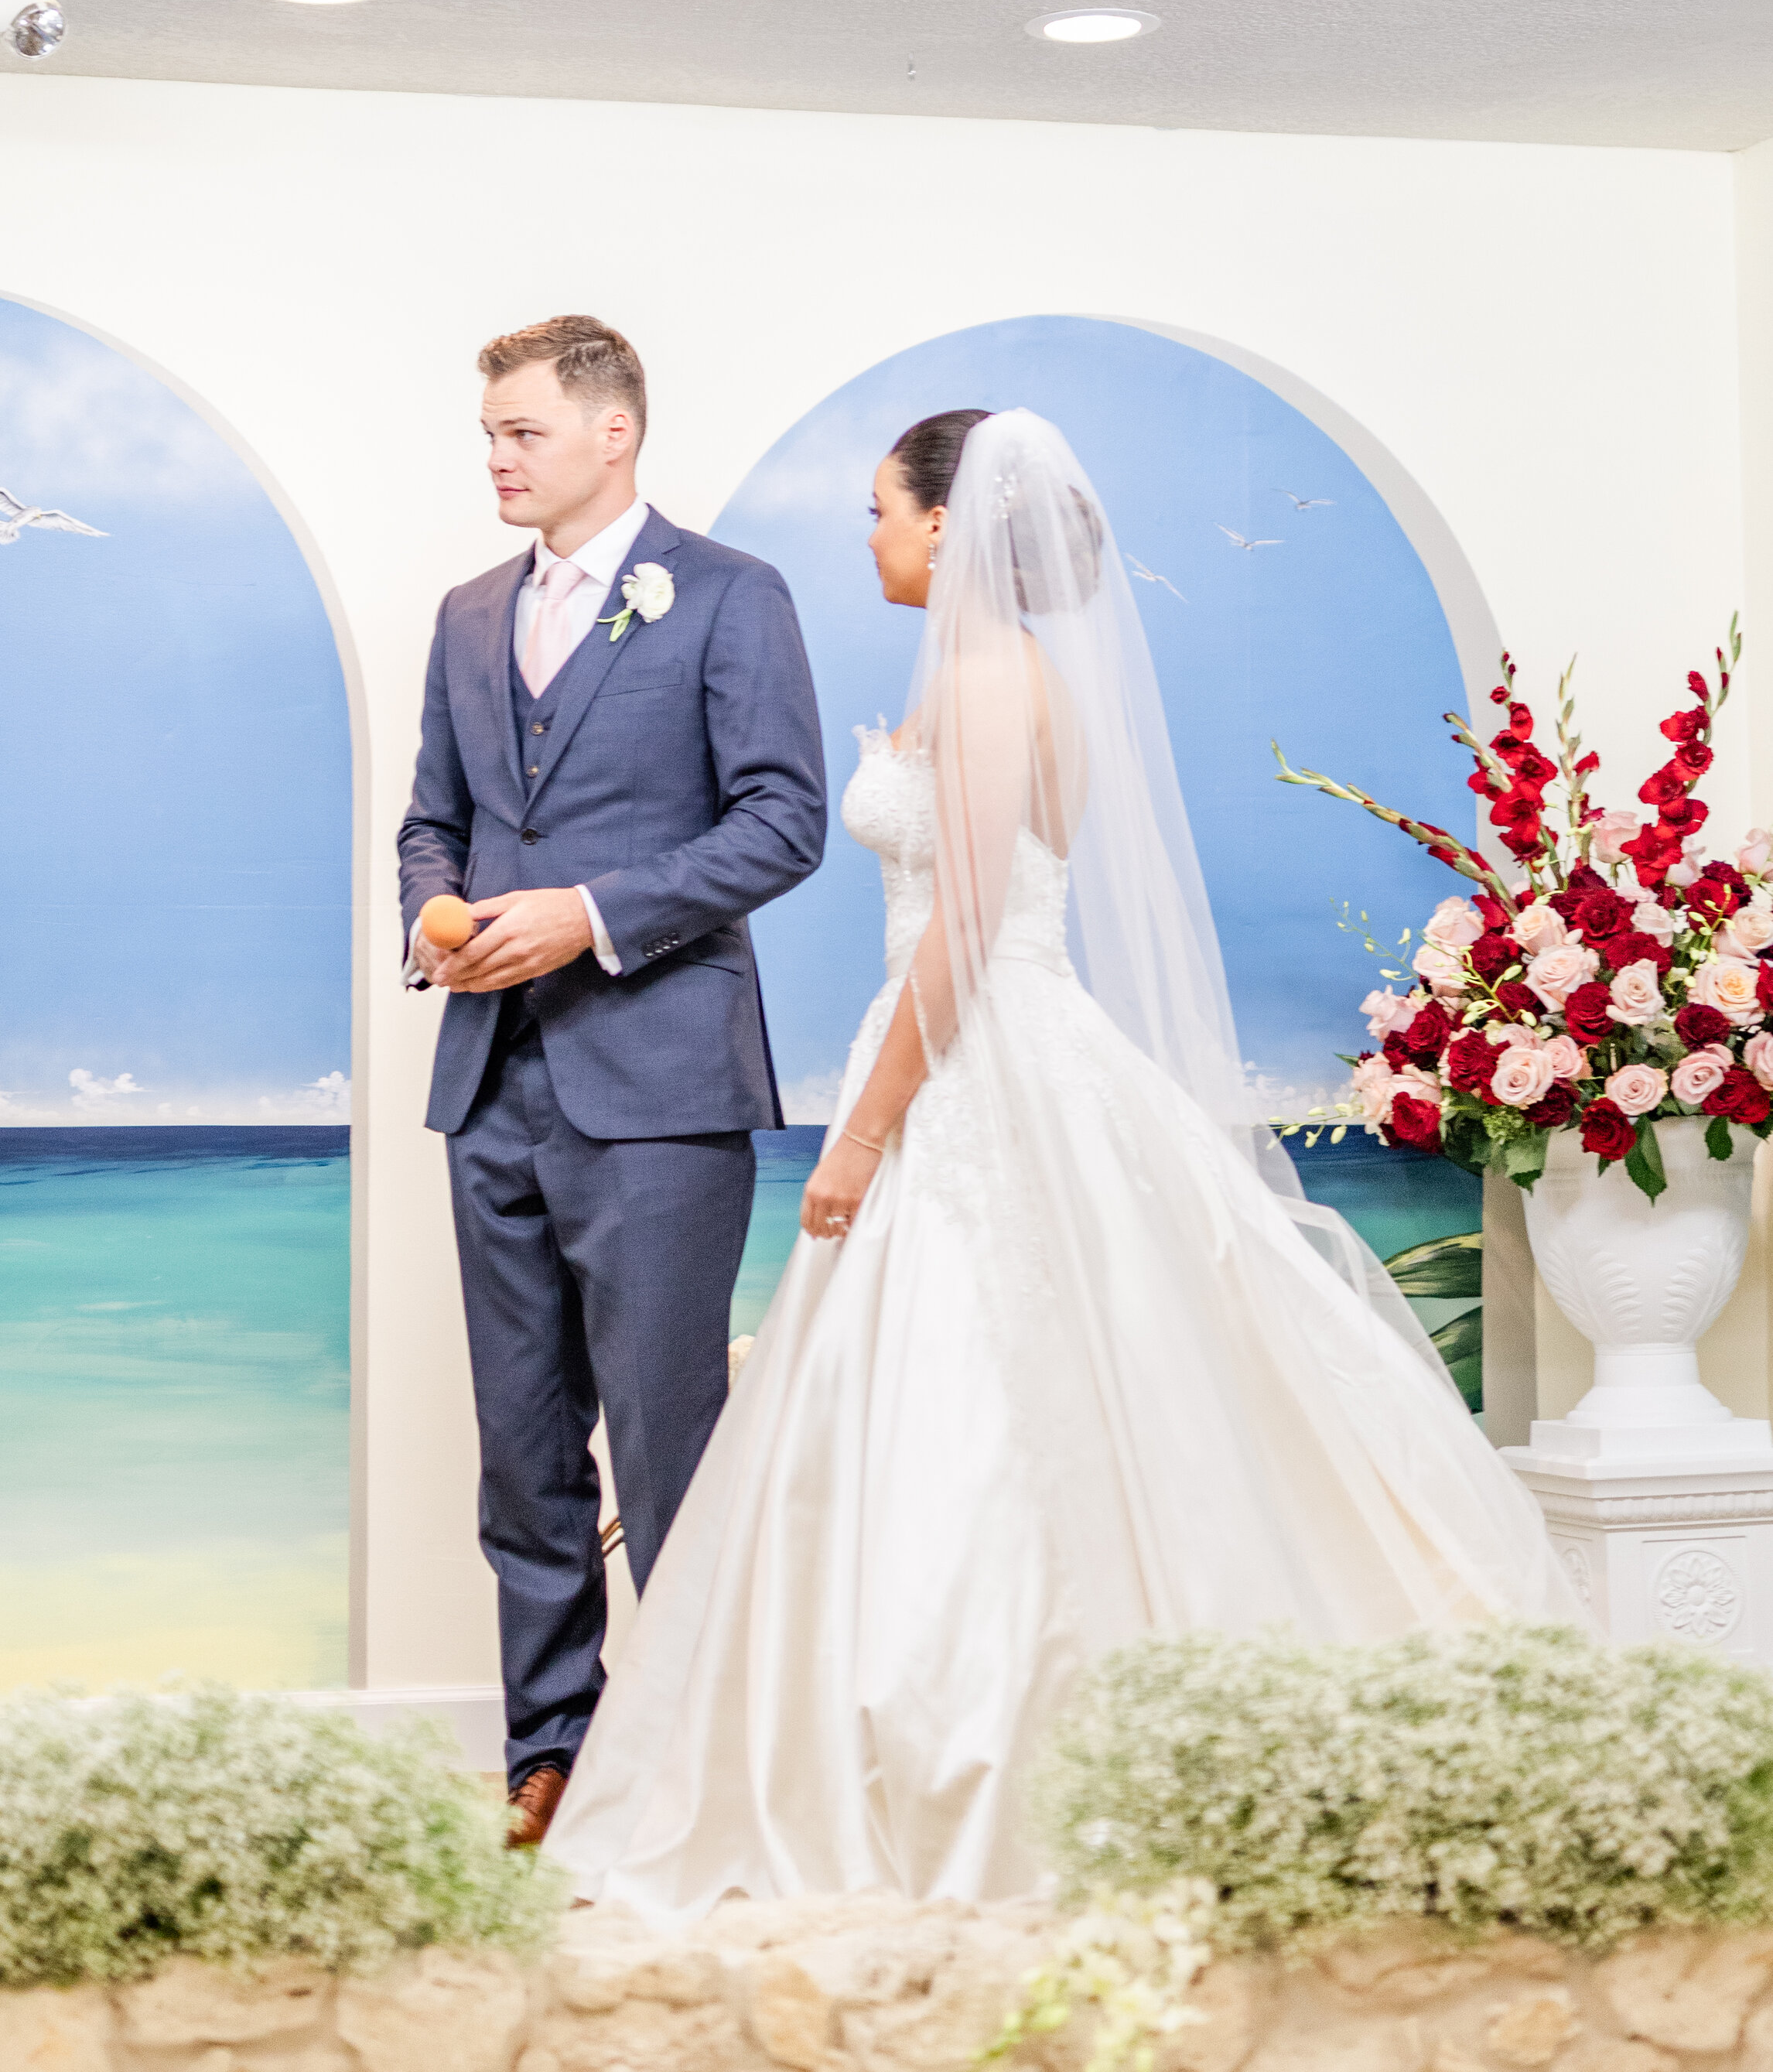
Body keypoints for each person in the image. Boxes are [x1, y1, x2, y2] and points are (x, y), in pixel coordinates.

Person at [547, 405, 1577, 1916]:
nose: (870, 536)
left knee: (979, 1392)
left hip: (971, 1049)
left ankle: (980, 1758)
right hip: (990, 1036)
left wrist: (866, 1131)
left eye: (882, 511)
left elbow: (967, 929)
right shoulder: (1004, 674)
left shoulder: (986, 678)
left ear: (948, 523)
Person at [398, 315, 826, 1848]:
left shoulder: (730, 596)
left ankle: (700, 1759)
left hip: (660, 1091)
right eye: (490, 435)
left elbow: (782, 823)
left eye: (521, 431)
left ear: (612, 431)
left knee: (669, 1438)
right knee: (520, 1451)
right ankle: (550, 1756)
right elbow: (432, 824)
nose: (497, 459)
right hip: (487, 1086)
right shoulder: (465, 616)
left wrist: (588, 915)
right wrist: (435, 918)